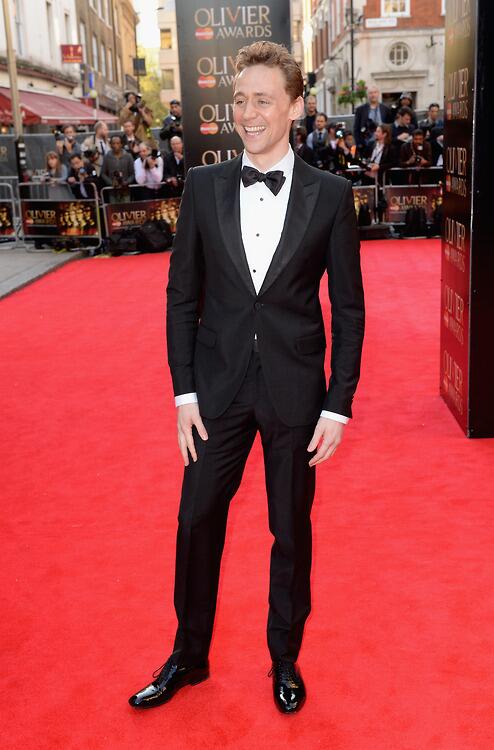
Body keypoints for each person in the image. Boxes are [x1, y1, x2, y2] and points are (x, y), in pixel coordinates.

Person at [129, 40, 365, 715]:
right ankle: (189, 655)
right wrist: (184, 392)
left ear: (295, 106)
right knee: (196, 519)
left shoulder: (331, 196)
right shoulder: (203, 189)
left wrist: (338, 405)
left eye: (264, 100)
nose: (250, 113)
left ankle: (284, 656)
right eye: (241, 100)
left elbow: (348, 309)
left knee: (289, 528)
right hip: (217, 388)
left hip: (295, 390)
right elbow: (182, 296)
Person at [353, 85, 393, 151]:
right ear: (367, 95)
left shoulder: (385, 109)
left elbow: (389, 126)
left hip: (383, 144)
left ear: (378, 94)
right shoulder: (360, 110)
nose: (373, 95)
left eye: (375, 92)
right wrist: (359, 144)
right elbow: (356, 128)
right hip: (366, 144)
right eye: (370, 93)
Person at [100, 134, 135, 203]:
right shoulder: (107, 157)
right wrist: (111, 183)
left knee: (126, 208)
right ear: (110, 145)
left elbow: (133, 174)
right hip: (112, 191)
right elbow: (103, 173)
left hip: (125, 191)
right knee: (113, 208)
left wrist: (127, 182)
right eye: (113, 143)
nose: (115, 145)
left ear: (121, 144)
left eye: (118, 143)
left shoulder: (128, 156)